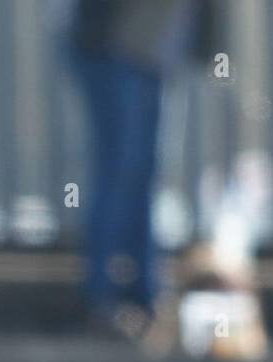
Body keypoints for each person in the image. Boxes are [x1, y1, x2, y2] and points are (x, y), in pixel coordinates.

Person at [65, 0, 218, 338]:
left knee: (141, 173)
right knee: (122, 171)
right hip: (116, 49)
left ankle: (142, 296)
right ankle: (107, 298)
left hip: (151, 52)